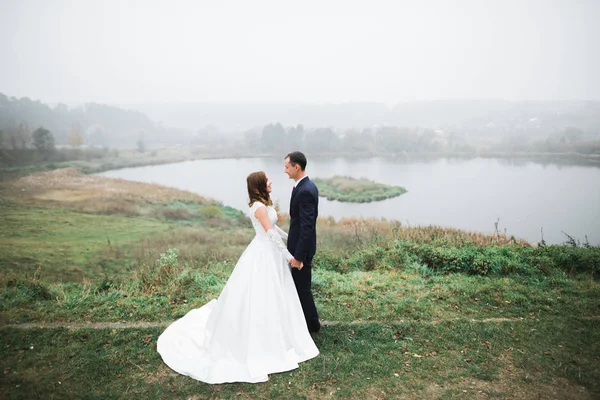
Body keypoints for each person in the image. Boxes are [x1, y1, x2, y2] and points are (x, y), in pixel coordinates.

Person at [156, 171, 319, 384]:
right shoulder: (258, 208)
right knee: (261, 293)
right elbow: (269, 233)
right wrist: (290, 257)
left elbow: (274, 228)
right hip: (263, 254)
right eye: (267, 180)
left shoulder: (263, 204)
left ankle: (283, 329)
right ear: (259, 185)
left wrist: (293, 241)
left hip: (271, 253)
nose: (271, 182)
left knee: (277, 293)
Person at [284, 151, 321, 333]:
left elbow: (306, 227)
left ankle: (312, 325)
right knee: (300, 287)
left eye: (287, 167)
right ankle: (306, 323)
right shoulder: (305, 186)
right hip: (299, 247)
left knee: (303, 289)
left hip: (302, 250)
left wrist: (298, 256)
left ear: (296, 167)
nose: (285, 171)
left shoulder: (306, 190)